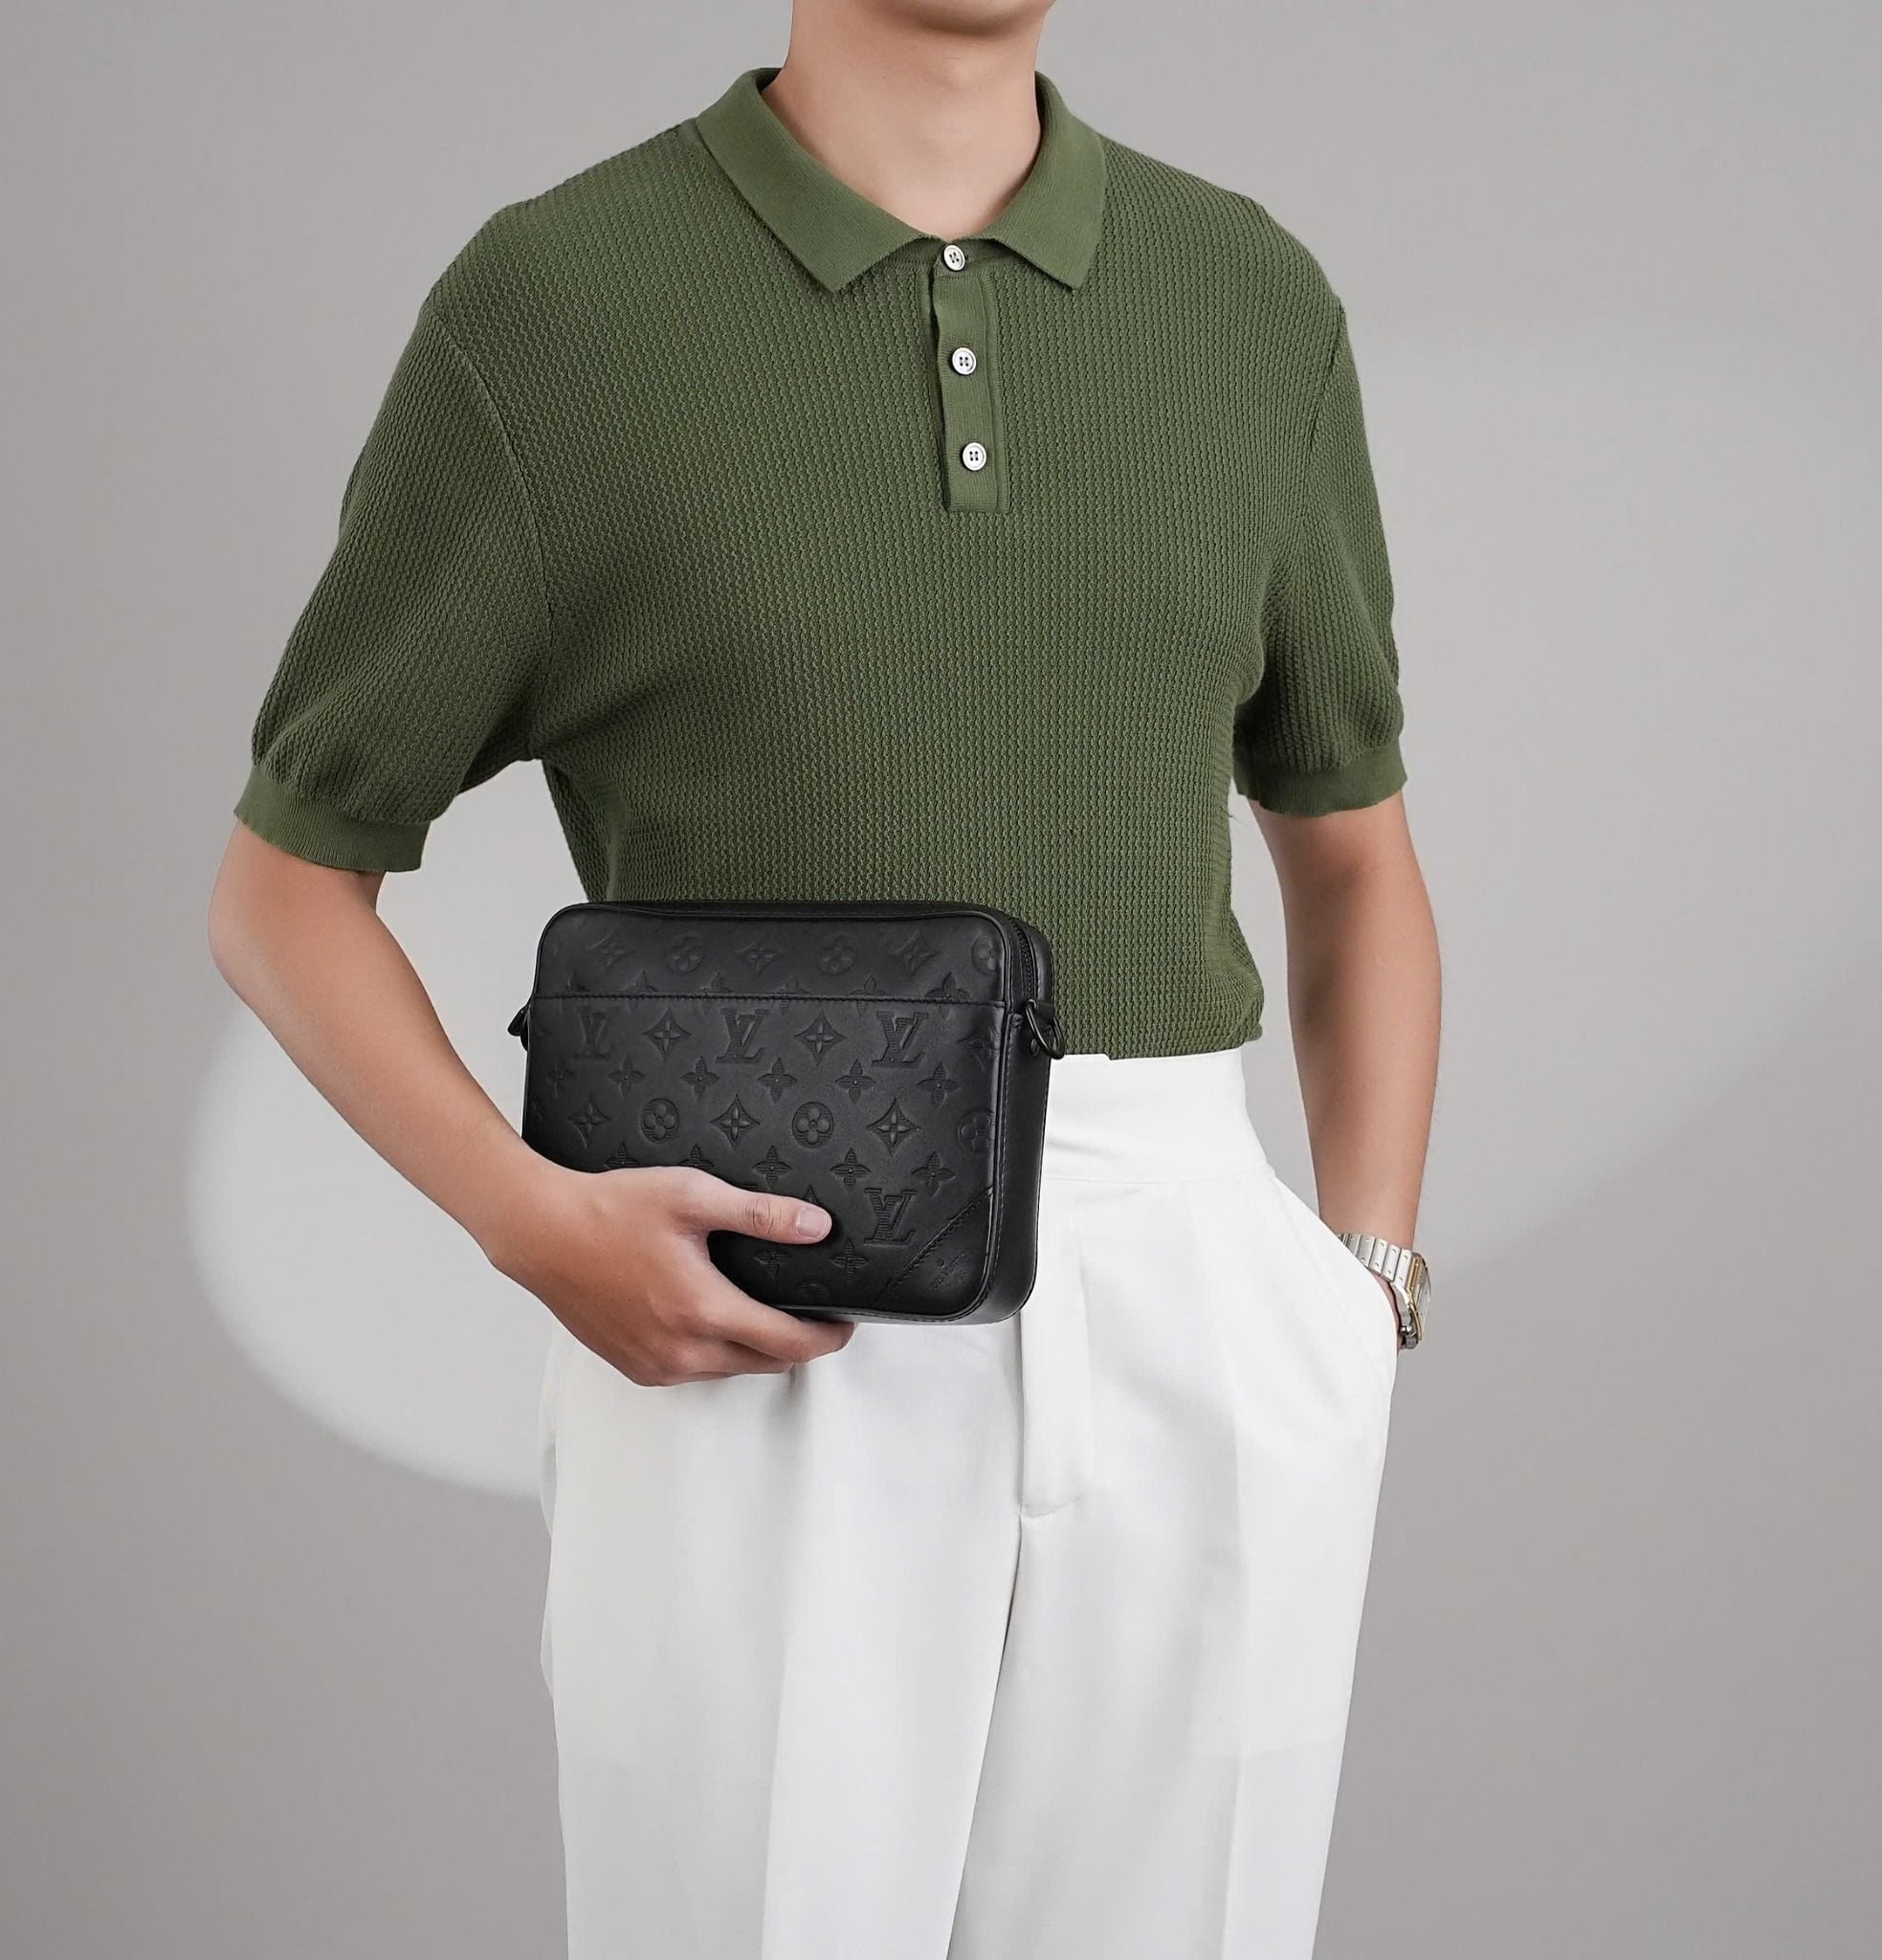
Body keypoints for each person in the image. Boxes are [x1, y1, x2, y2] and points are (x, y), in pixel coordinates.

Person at [208, 4, 1442, 1954]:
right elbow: (283, 887)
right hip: (757, 1297)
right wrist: (525, 1216)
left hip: (1192, 1296)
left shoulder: (1247, 299)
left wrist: (1355, 1296)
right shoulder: (559, 309)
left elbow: (1354, 852)